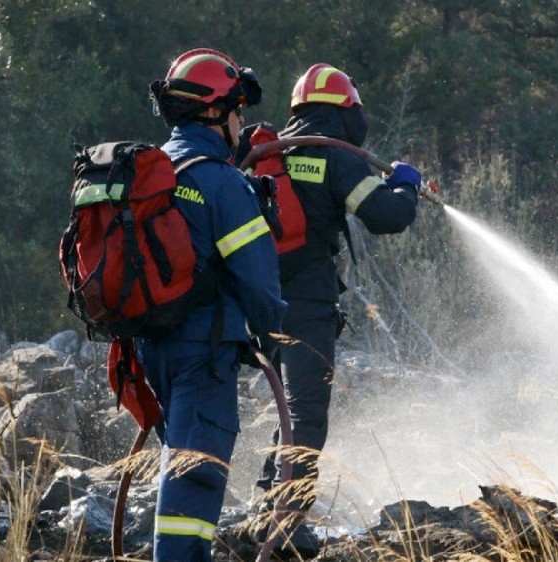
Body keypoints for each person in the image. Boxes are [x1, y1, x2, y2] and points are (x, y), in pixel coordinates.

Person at [249, 63, 422, 558]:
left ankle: (270, 507)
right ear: (348, 110)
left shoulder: (274, 151)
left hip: (259, 302)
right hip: (305, 304)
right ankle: (286, 523)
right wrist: (405, 185)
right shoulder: (334, 156)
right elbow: (387, 216)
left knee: (288, 407)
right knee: (307, 413)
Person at [141, 48, 286, 562]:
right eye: (237, 111)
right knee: (196, 477)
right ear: (213, 111)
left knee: (179, 464)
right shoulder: (221, 181)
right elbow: (261, 283)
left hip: (152, 349)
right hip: (204, 354)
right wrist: (276, 339)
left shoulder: (156, 171)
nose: (241, 123)